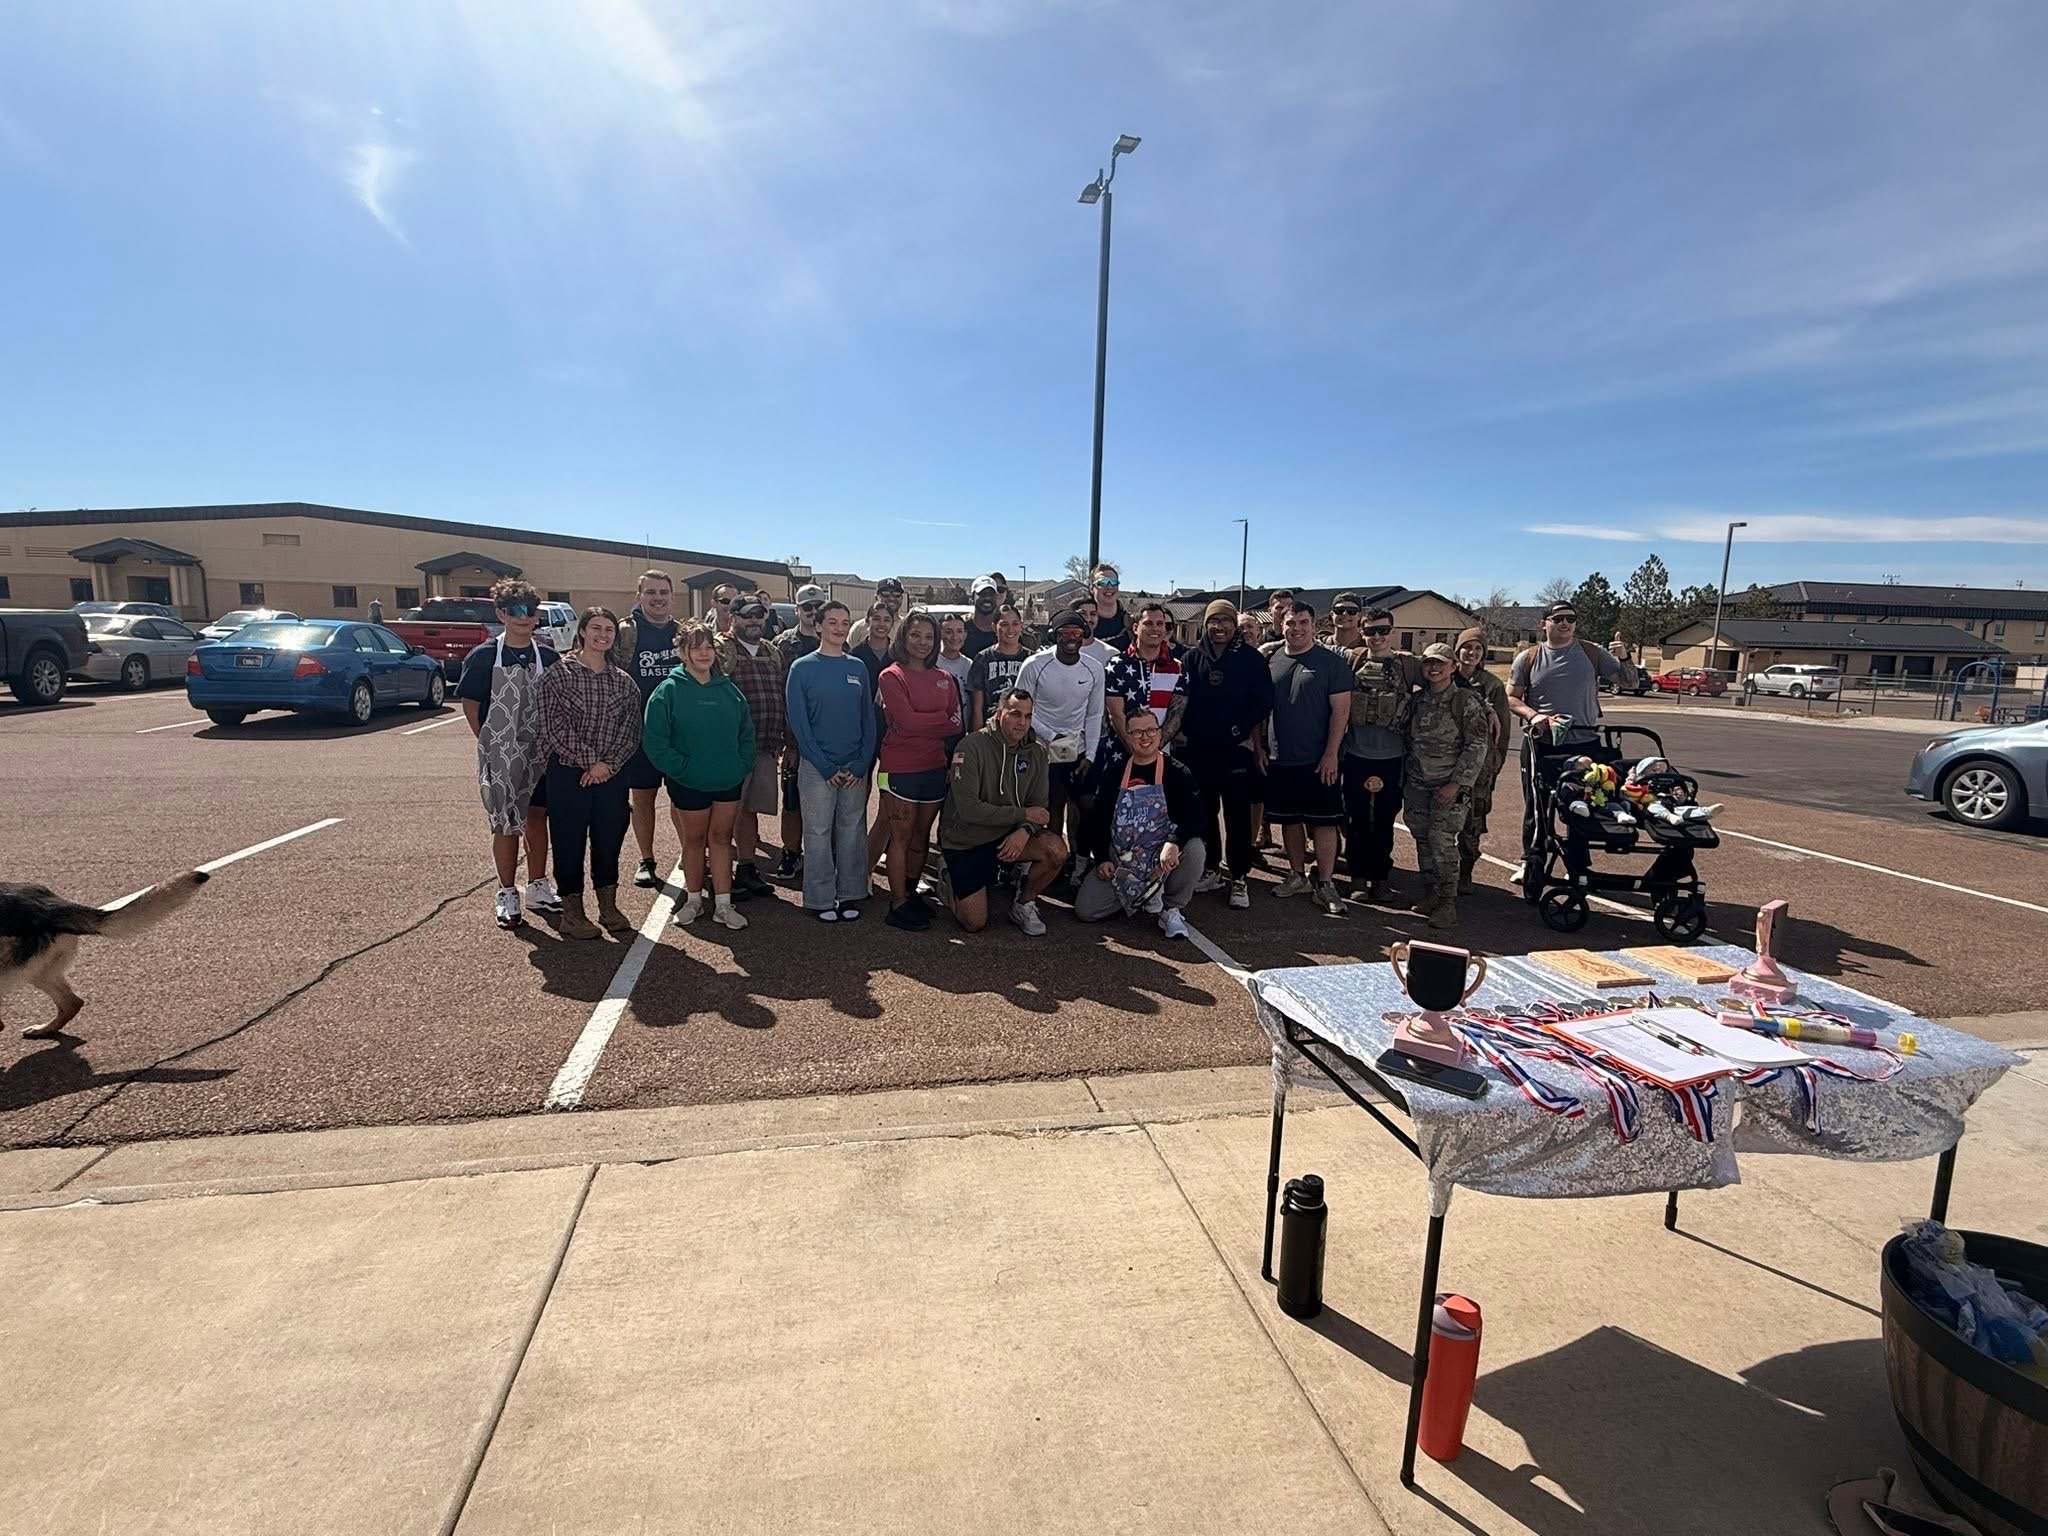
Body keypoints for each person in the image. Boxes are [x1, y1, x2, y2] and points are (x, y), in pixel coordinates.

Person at [459, 578, 559, 930]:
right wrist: (490, 744)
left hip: (540, 753)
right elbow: (471, 704)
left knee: (537, 818)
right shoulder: (484, 656)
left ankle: (537, 886)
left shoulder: (548, 656)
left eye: (529, 610)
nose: (523, 617)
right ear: (501, 614)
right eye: (514, 610)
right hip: (501, 753)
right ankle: (506, 891)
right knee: (505, 823)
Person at [538, 607, 643, 939]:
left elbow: (630, 731)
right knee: (568, 842)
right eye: (596, 628)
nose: (603, 635)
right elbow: (553, 726)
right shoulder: (558, 675)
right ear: (582, 631)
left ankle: (608, 906)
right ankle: (572, 913)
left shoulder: (623, 682)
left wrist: (607, 765)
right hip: (569, 774)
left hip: (611, 775)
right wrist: (589, 762)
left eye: (609, 629)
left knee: (608, 839)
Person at [643, 623, 755, 931]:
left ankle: (723, 905)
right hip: (688, 782)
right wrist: (682, 768)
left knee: (721, 839)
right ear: (683, 652)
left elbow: (746, 733)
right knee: (693, 840)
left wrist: (740, 765)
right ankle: (693, 900)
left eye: (708, 647)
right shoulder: (668, 691)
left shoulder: (729, 690)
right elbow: (655, 741)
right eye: (696, 647)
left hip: (727, 780)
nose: (704, 653)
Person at [1507, 601, 1635, 864]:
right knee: (1537, 804)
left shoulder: (1592, 653)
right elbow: (1511, 697)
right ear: (1544, 624)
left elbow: (1630, 682)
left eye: (1570, 618)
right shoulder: (1528, 658)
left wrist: (1624, 657)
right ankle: (1532, 859)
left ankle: (1578, 865)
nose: (1565, 623)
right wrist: (1534, 716)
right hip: (1542, 743)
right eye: (1558, 619)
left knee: (1585, 802)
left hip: (1585, 743)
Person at [937, 688, 1067, 935]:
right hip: (967, 841)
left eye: (1028, 716)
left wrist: (1024, 831)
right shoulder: (971, 746)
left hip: (1008, 838)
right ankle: (946, 876)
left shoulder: (1037, 752)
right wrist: (1023, 816)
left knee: (1056, 849)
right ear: (999, 714)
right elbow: (969, 810)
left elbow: (1039, 808)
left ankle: (1023, 904)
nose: (1022, 722)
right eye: (1015, 714)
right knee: (974, 923)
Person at [1074, 711, 1206, 940]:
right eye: (1137, 732)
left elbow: (1196, 817)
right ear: (1128, 736)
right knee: (1086, 910)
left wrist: (1174, 842)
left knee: (1195, 849)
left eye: (1150, 730)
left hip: (1161, 859)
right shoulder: (1114, 773)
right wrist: (1102, 858)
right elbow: (1098, 820)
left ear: (1159, 733)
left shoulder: (1178, 772)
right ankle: (1141, 895)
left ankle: (1170, 907)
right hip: (1123, 862)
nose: (1145, 737)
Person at [1177, 600, 1272, 910]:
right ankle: (1212, 869)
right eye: (1213, 621)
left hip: (1236, 751)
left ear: (1234, 625)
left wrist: (1243, 732)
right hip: (1199, 751)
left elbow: (1262, 702)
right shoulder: (1192, 658)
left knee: (1237, 817)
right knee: (1205, 813)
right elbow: (1182, 700)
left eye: (1225, 621)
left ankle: (1240, 876)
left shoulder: (1251, 659)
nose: (1219, 627)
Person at [785, 601, 877, 922]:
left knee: (852, 830)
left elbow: (868, 719)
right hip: (817, 767)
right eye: (832, 622)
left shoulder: (858, 668)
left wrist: (862, 762)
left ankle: (851, 893)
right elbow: (799, 723)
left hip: (854, 766)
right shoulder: (802, 668)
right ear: (818, 626)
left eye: (844, 622)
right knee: (818, 832)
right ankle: (820, 898)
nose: (839, 628)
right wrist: (824, 765)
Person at [875, 612, 963, 930]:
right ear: (903, 637)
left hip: (933, 766)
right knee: (900, 837)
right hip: (900, 769)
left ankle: (911, 893)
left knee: (921, 836)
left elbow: (956, 724)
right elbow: (908, 721)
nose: (922, 642)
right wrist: (937, 719)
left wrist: (922, 720)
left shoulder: (945, 678)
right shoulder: (891, 675)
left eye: (929, 636)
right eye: (915, 635)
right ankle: (897, 902)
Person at [1266, 600, 1352, 915]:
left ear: (1314, 626)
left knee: (1324, 822)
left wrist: (1331, 754)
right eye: (1291, 623)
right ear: (1282, 625)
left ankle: (1326, 882)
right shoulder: (1272, 660)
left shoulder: (1332, 664)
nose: (1297, 629)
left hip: (1318, 760)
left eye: (1303, 622)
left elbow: (1341, 713)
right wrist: (1261, 748)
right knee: (1290, 819)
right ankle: (1297, 875)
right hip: (1280, 757)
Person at [1404, 644, 1491, 929]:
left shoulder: (1465, 701)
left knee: (1442, 841)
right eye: (1429, 663)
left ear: (1453, 667)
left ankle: (1447, 902)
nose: (1434, 668)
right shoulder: (1418, 701)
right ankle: (1431, 892)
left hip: (1448, 785)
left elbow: (1476, 746)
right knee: (1422, 839)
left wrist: (1456, 784)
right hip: (1418, 783)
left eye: (1440, 663)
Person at [1340, 604, 1422, 905]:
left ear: (1392, 631)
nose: (1377, 637)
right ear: (1362, 632)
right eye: (1371, 631)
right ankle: (1358, 878)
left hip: (1392, 757)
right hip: (1356, 754)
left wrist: (1487, 709)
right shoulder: (1353, 659)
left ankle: (1380, 878)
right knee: (1356, 818)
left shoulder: (1408, 665)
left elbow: (1444, 682)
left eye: (1383, 630)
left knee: (1385, 820)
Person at [1014, 610, 1106, 872]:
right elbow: (1021, 709)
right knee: (1047, 807)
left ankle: (1077, 863)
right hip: (1041, 749)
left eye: (1076, 633)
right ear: (1054, 636)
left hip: (1077, 750)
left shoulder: (1094, 668)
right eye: (1064, 633)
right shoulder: (1034, 664)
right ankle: (1039, 865)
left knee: (1084, 806)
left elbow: (1094, 714)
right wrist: (1052, 736)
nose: (1070, 638)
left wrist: (1090, 755)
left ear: (1083, 635)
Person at [609, 569, 682, 889]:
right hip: (639, 731)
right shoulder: (626, 632)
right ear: (638, 596)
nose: (657, 598)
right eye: (650, 592)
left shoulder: (683, 633)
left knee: (683, 798)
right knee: (643, 798)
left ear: (672, 596)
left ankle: (691, 854)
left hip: (679, 732)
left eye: (663, 592)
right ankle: (647, 860)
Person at [716, 598, 788, 901]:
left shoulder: (772, 652)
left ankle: (746, 867)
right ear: (733, 617)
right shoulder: (720, 648)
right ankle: (717, 873)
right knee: (723, 812)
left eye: (759, 615)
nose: (754, 621)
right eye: (747, 616)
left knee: (749, 810)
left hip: (765, 746)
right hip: (731, 748)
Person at [771, 584, 828, 879]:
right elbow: (779, 696)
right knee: (792, 800)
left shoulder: (837, 642)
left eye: (818, 607)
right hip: (795, 738)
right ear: (797, 610)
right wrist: (788, 743)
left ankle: (823, 855)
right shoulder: (782, 645)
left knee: (827, 802)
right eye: (807, 607)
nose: (813, 612)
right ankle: (791, 852)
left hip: (828, 738)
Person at [1454, 626, 1512, 894]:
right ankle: (1439, 874)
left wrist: (1495, 764)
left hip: (1479, 765)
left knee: (1473, 820)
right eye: (1467, 647)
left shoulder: (1492, 685)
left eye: (1478, 649)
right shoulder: (1446, 676)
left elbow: (1503, 733)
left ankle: (1465, 872)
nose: (1472, 653)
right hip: (1445, 760)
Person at [1103, 601, 1185, 762]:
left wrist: (1152, 751)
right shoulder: (1117, 664)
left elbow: (1175, 716)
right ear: (1135, 628)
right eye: (1148, 623)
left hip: (1160, 754)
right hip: (1120, 753)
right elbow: (1115, 714)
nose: (1155, 628)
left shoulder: (1178, 668)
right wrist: (1137, 750)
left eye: (1160, 624)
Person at [967, 603, 1030, 724]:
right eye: (1004, 624)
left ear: (1021, 626)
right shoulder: (982, 659)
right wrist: (978, 734)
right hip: (992, 727)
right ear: (994, 627)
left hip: (1023, 726)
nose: (1010, 630)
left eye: (1015, 624)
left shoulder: (1031, 659)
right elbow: (977, 708)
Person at [848, 577, 905, 649]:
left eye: (896, 594)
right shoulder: (859, 627)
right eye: (885, 594)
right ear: (876, 598)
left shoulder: (907, 626)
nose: (891, 598)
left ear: (902, 598)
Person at [1089, 564, 1129, 646]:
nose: (1109, 587)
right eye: (1103, 582)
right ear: (1092, 588)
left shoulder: (1130, 623)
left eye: (1114, 582)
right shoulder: (1083, 623)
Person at [934, 614, 974, 696]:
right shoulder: (932, 663)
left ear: (965, 634)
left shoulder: (970, 665)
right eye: (948, 632)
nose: (954, 637)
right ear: (940, 634)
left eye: (959, 631)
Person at [961, 577, 1003, 656]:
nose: (987, 598)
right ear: (972, 597)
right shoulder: (961, 629)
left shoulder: (1004, 629)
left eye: (991, 594)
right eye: (982, 594)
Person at [1074, 595, 1118, 669]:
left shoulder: (1111, 653)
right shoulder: (1058, 651)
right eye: (1083, 613)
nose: (1088, 619)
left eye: (1093, 614)